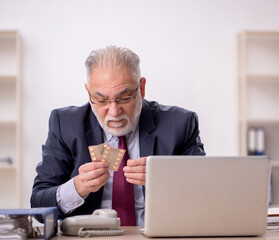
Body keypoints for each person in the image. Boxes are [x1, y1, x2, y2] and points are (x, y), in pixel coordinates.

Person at [30, 46, 206, 226]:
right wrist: (77, 188)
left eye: (124, 98)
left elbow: (207, 193)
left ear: (142, 88)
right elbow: (38, 209)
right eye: (102, 100)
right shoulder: (65, 124)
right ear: (88, 93)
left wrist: (167, 180)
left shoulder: (181, 124)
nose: (114, 112)